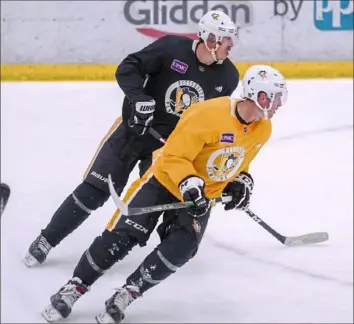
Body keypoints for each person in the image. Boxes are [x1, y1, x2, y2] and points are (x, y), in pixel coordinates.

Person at [40, 64, 288, 323]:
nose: (279, 104)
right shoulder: (207, 114)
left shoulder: (263, 129)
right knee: (123, 237)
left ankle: (128, 293)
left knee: (183, 248)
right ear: (254, 94)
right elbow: (173, 156)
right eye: (273, 96)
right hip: (163, 182)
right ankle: (74, 288)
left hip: (200, 199)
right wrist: (189, 182)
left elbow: (238, 161)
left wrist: (241, 180)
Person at [23, 10, 240, 267]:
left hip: (168, 149)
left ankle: (159, 256)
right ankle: (47, 239)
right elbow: (128, 67)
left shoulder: (228, 76)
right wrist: (138, 98)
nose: (231, 45)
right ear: (211, 38)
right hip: (132, 132)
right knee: (94, 191)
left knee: (163, 200)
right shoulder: (171, 48)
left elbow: (212, 123)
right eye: (227, 39)